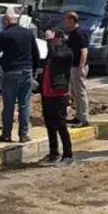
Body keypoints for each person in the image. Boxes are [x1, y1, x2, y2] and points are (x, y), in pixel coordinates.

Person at [0, 11, 41, 142]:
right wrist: (35, 70)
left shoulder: (5, 34)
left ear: (6, 21)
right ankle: (23, 134)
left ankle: (6, 134)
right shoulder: (28, 33)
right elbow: (35, 53)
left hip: (11, 73)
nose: (2, 25)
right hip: (27, 71)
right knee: (24, 104)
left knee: (9, 105)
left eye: (2, 23)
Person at [38, 28, 75, 165]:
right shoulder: (53, 51)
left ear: (59, 39)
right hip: (47, 93)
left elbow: (55, 56)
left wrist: (49, 41)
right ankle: (53, 153)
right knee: (50, 124)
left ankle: (68, 155)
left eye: (54, 39)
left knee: (61, 124)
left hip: (59, 94)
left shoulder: (67, 53)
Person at [62, 12, 90, 127]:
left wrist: (81, 67)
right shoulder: (72, 33)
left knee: (80, 92)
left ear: (72, 20)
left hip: (78, 67)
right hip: (73, 66)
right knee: (75, 93)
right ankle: (78, 116)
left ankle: (83, 118)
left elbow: (84, 51)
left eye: (66, 20)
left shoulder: (79, 34)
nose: (64, 23)